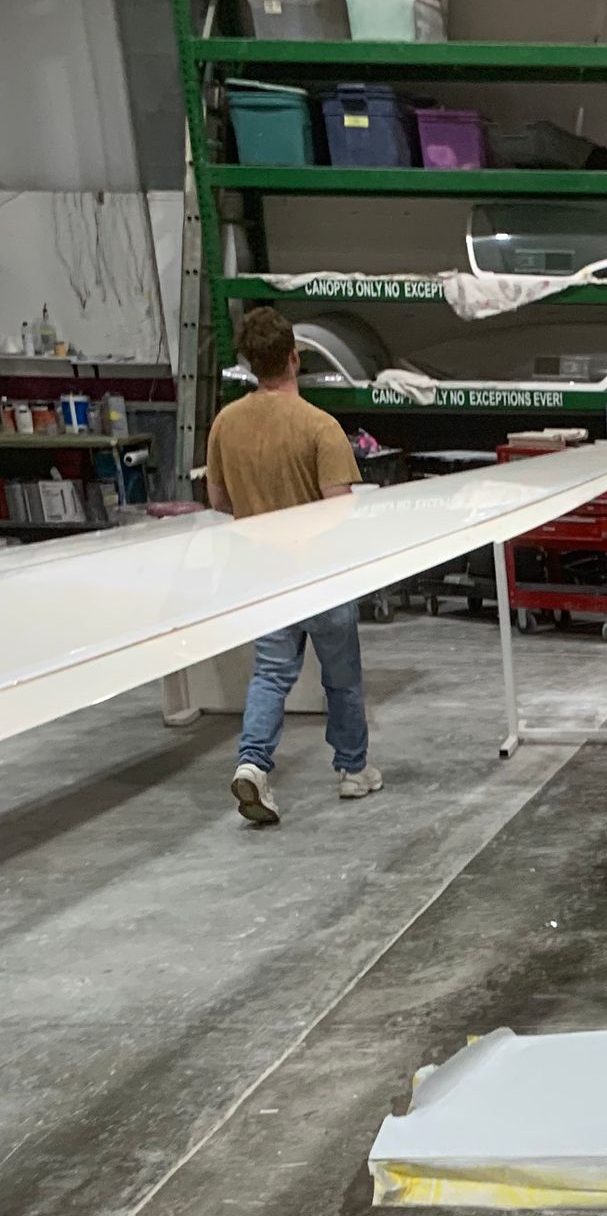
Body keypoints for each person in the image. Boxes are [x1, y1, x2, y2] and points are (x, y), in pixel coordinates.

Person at [206, 304, 382, 827]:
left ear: (249, 364)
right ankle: (353, 771)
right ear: (294, 358)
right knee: (342, 676)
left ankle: (253, 763)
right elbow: (339, 504)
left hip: (264, 572)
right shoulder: (319, 427)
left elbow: (218, 500)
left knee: (270, 675)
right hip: (322, 573)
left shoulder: (225, 424)